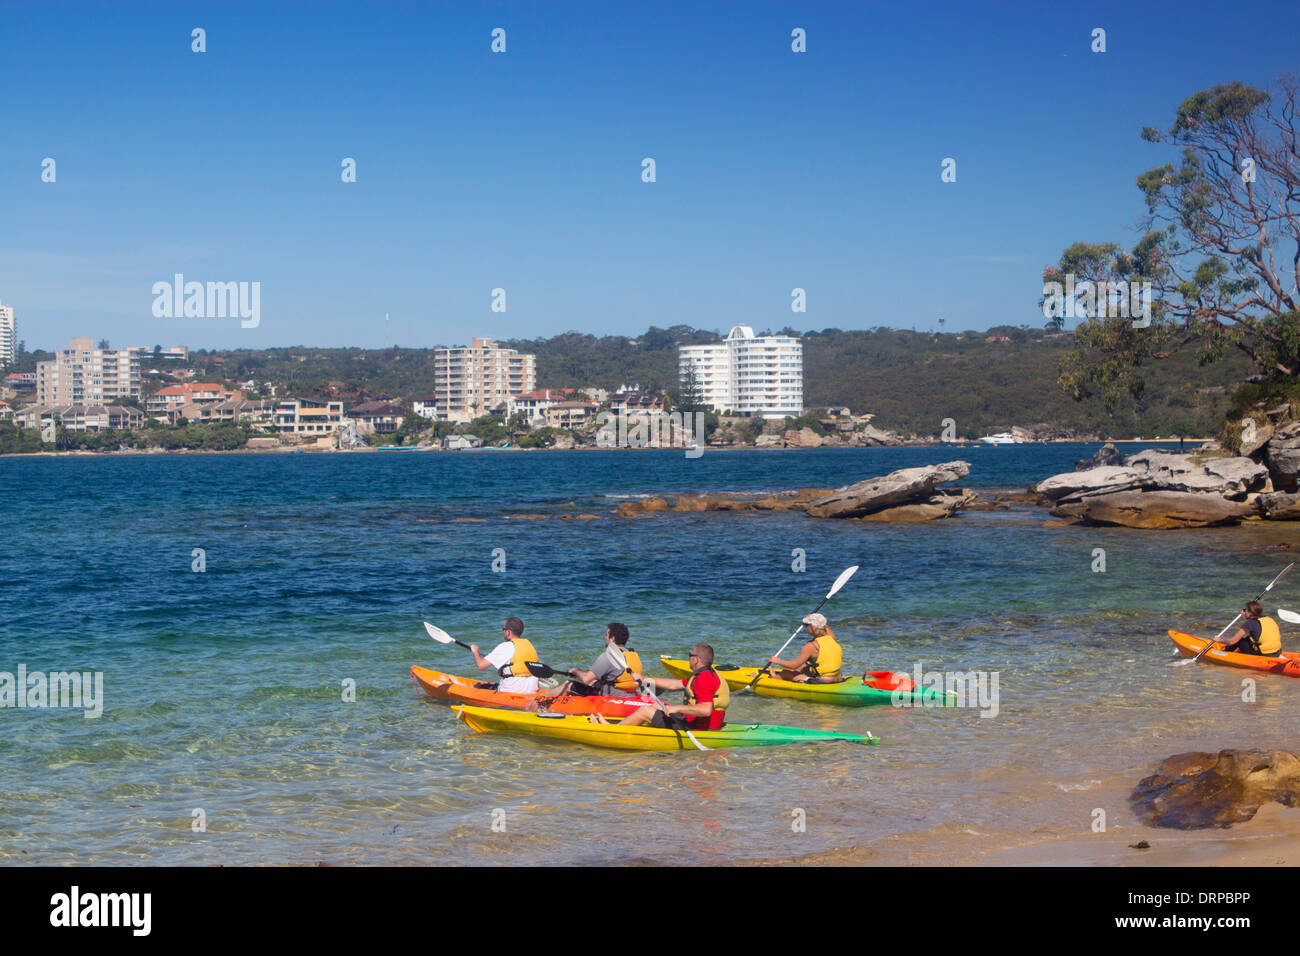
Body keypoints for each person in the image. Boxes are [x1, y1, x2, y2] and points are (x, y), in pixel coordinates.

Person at [618, 643, 728, 730]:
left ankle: (615, 730)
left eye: (690, 655)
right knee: (656, 705)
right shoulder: (706, 674)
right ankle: (633, 726)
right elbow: (673, 684)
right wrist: (644, 679)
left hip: (696, 728)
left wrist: (675, 708)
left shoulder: (704, 678)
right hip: (696, 723)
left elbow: (705, 710)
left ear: (696, 659)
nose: (689, 658)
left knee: (645, 711)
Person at [564, 622, 642, 696]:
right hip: (630, 694)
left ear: (612, 639)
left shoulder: (609, 656)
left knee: (568, 684)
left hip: (613, 696)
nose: (605, 638)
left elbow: (585, 679)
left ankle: (551, 700)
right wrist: (580, 675)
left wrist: (575, 670)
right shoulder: (633, 654)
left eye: (606, 635)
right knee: (594, 682)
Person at [469, 617, 540, 693]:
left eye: (503, 629)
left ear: (508, 632)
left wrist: (475, 652)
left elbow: (481, 665)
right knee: (494, 684)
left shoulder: (506, 646)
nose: (503, 632)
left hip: (513, 691)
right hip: (531, 690)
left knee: (479, 686)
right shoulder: (528, 645)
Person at [767, 613, 843, 682]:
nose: (806, 627)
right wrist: (813, 617)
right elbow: (825, 627)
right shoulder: (832, 638)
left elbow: (794, 665)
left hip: (822, 681)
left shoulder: (811, 646)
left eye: (807, 625)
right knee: (802, 667)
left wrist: (777, 661)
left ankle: (774, 678)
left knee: (785, 672)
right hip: (838, 677)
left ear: (812, 627)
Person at [1216, 602, 1282, 657]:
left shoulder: (1249, 623)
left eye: (1245, 610)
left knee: (1240, 641)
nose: (1243, 611)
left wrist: (1220, 640)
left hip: (1263, 654)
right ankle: (1229, 650)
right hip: (1277, 652)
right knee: (1249, 638)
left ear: (1250, 613)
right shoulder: (1269, 619)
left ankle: (1223, 653)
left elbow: (1233, 641)